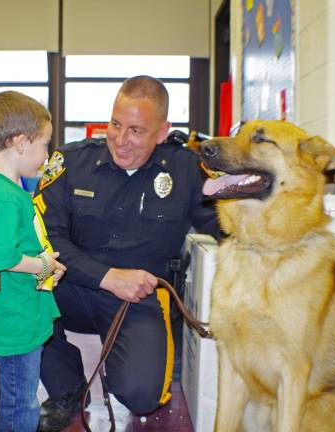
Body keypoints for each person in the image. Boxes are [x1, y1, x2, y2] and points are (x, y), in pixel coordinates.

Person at [35, 75, 220, 431]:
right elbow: (47, 240)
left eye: (136, 131)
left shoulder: (185, 170)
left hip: (136, 297)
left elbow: (226, 223)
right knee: (25, 284)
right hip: (71, 283)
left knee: (141, 395)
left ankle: (124, 361)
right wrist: (108, 277)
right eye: (115, 125)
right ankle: (67, 387)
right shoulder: (71, 161)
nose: (120, 141)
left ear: (162, 132)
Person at [0, 91, 66, 432]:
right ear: (21, 143)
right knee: (20, 403)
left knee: (22, 396)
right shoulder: (4, 197)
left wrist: (46, 263)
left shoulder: (9, 189)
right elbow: (0, 257)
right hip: (14, 320)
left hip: (22, 310)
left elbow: (17, 246)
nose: (46, 155)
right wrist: (42, 266)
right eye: (44, 145)